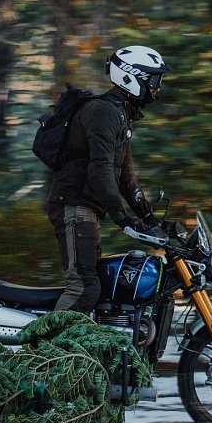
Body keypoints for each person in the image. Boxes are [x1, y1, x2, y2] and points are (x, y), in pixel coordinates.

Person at [45, 45, 172, 313]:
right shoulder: (102, 112)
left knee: (99, 284)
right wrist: (122, 219)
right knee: (84, 286)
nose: (156, 88)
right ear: (130, 76)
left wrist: (150, 220)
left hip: (87, 209)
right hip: (74, 206)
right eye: (153, 81)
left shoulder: (120, 114)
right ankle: (45, 350)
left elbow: (127, 179)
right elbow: (99, 169)